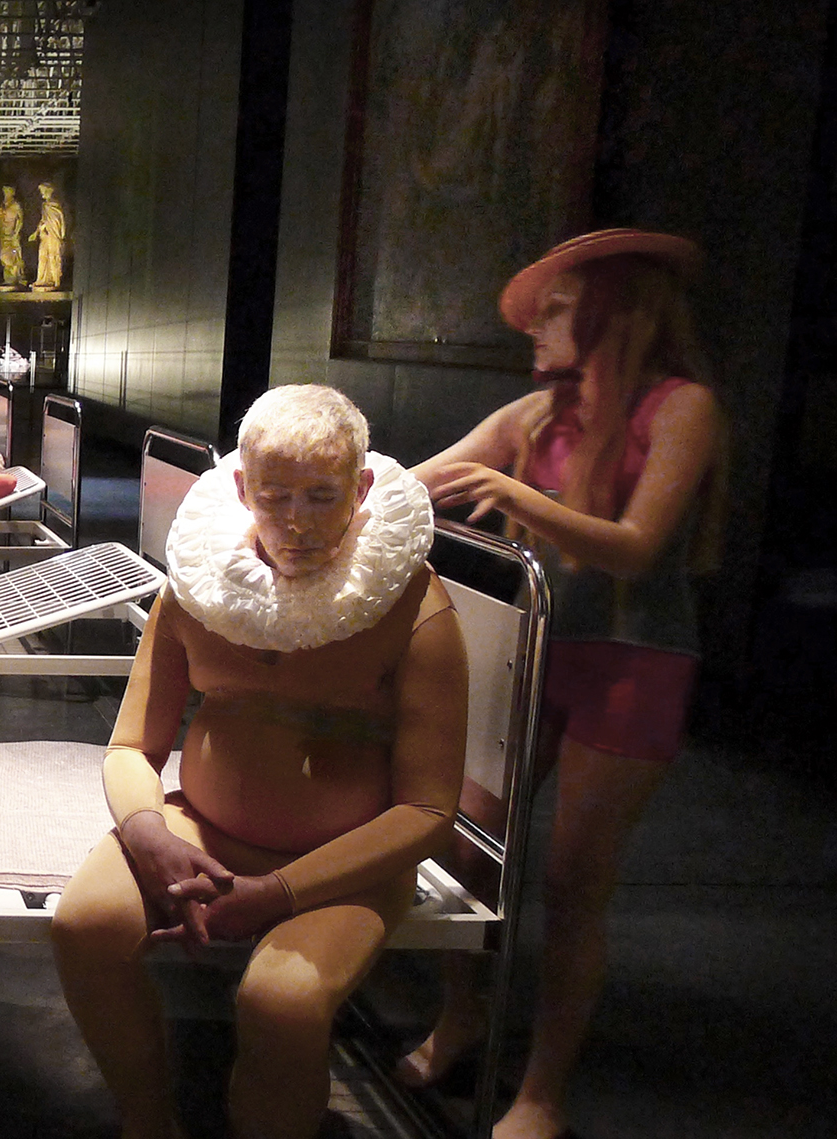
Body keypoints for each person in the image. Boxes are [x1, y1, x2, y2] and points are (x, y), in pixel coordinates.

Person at [50, 385, 469, 1139]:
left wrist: (278, 891)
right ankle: (148, 1124)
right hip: (200, 830)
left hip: (345, 863)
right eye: (276, 497)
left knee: (282, 1001)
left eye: (322, 496)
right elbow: (132, 746)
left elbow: (429, 811)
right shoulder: (198, 588)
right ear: (242, 490)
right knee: (84, 928)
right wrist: (149, 833)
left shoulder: (413, 604)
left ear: (361, 489)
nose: (298, 522)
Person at [400, 229, 724, 1139]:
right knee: (464, 844)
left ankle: (543, 1090)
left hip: (634, 664)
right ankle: (463, 1013)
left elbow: (638, 547)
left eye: (557, 311)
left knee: (575, 881)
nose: (535, 330)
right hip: (537, 650)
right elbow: (410, 485)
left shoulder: (682, 406)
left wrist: (517, 497)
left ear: (616, 311)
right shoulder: (539, 413)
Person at [29, 181, 68, 291]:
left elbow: (58, 220)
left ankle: (55, 280)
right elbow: (43, 220)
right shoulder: (45, 205)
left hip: (53, 235)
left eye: (43, 191)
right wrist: (36, 232)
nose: (42, 194)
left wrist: (57, 232)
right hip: (45, 235)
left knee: (53, 256)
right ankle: (42, 279)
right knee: (43, 256)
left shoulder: (54, 205)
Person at [0, 185, 26, 289]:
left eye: (7, 192)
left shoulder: (15, 205)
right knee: (4, 255)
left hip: (12, 233)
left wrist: (16, 232)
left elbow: (20, 219)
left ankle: (15, 277)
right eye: (4, 192)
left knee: (13, 255)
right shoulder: (3, 205)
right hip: (3, 233)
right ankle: (8, 277)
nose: (6, 194)